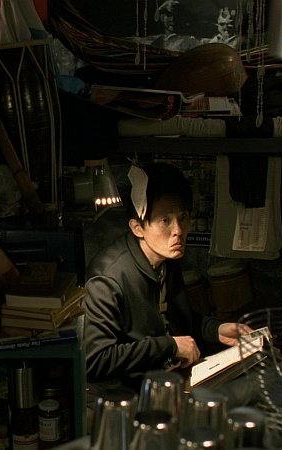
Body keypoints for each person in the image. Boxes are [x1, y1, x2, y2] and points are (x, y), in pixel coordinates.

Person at [82, 162, 251, 393]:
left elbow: (178, 318)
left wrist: (216, 330)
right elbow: (95, 361)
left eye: (183, 218)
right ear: (137, 227)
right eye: (165, 221)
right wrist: (169, 346)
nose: (178, 231)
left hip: (169, 380)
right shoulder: (108, 277)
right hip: (127, 395)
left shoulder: (166, 259)